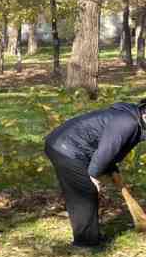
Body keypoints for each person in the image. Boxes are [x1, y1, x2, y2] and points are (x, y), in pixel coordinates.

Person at [44, 99, 146, 248]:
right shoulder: (127, 122)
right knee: (85, 191)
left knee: (85, 190)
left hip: (77, 147)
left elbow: (113, 148)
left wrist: (111, 170)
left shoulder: (136, 120)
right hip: (65, 147)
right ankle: (86, 243)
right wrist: (93, 176)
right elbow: (106, 151)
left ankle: (90, 237)